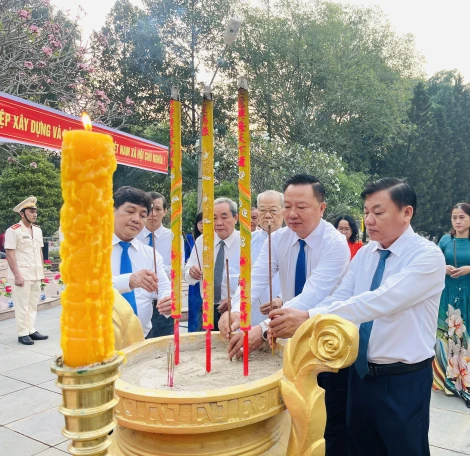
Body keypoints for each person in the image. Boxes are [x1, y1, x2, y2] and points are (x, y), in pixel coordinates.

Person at [269, 178, 446, 456]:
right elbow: (341, 296)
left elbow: (380, 300)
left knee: (404, 448)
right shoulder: (366, 254)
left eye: (378, 212)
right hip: (360, 375)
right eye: (366, 212)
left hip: (402, 380)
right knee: (361, 447)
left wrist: (307, 316)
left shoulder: (427, 256)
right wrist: (300, 315)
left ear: (406, 212)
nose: (369, 220)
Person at [220, 175, 350, 456]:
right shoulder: (278, 239)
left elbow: (311, 297)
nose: (292, 214)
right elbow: (255, 279)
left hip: (328, 339)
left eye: (301, 207)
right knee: (293, 414)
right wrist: (235, 309)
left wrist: (264, 329)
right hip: (292, 338)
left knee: (330, 420)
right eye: (287, 206)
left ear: (322, 208)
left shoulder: (335, 244)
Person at [111, 186, 171, 338]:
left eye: (143, 215)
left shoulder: (150, 254)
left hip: (141, 338)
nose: (136, 219)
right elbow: (85, 288)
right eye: (130, 211)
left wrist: (167, 299)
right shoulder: (90, 249)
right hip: (100, 343)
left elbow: (164, 285)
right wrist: (129, 280)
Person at [433, 202, 470, 407]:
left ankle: (466, 382)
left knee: (467, 336)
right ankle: (445, 380)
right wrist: (442, 266)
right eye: (454, 217)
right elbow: (434, 261)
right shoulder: (446, 240)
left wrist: (468, 269)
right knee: (446, 335)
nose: (457, 221)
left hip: (468, 294)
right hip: (447, 295)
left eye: (462, 217)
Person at [184, 198, 240, 331]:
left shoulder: (246, 242)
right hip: (207, 308)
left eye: (224, 217)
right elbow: (187, 274)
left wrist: (235, 298)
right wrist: (191, 272)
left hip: (236, 308)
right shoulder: (203, 241)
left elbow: (255, 279)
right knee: (208, 348)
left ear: (236, 218)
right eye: (214, 218)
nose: (219, 223)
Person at [4, 197, 48, 345]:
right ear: (22, 214)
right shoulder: (13, 231)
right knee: (22, 305)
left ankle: (31, 330)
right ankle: (22, 333)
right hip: (21, 274)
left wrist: (41, 272)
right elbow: (10, 254)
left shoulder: (37, 230)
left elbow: (40, 252)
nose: (34, 214)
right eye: (31, 211)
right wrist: (17, 275)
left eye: (35, 211)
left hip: (35, 273)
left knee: (32, 304)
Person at [137, 191, 174, 337]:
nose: (153, 213)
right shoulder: (133, 236)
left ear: (165, 211)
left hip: (164, 303)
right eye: (149, 209)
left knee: (163, 347)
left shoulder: (173, 237)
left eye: (158, 209)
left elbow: (178, 269)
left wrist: (155, 271)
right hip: (138, 301)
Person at [251, 190, 283, 325]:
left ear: (283, 211)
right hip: (252, 311)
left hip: (283, 310)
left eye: (273, 211)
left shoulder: (294, 240)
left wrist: (282, 299)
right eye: (263, 210)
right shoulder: (247, 241)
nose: (268, 216)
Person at [186, 212, 203, 332]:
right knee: (195, 308)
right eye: (200, 222)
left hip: (206, 280)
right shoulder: (190, 238)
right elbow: (185, 259)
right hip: (195, 280)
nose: (202, 225)